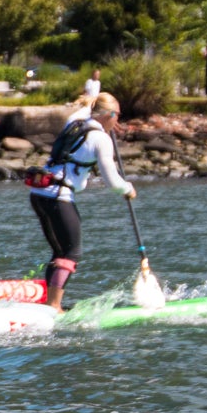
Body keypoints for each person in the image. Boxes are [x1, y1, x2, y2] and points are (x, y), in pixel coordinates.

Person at [26, 92, 134, 310]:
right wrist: (128, 188)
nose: (117, 122)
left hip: (39, 195)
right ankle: (54, 306)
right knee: (71, 252)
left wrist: (94, 98)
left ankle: (49, 303)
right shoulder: (101, 139)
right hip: (58, 197)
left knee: (60, 251)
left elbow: (86, 110)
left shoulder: (74, 122)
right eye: (117, 115)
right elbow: (112, 181)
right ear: (108, 114)